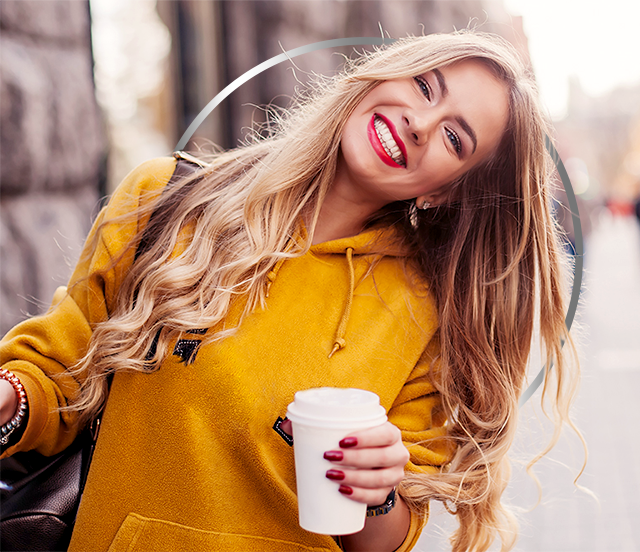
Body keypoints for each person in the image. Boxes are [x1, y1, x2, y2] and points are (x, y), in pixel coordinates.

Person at [0, 31, 581, 552]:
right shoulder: (165, 201)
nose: (420, 123)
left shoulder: (425, 314)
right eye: (424, 86)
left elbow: (383, 539)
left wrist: (375, 491)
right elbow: (59, 372)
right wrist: (10, 399)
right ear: (383, 73)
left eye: (454, 138)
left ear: (446, 193)